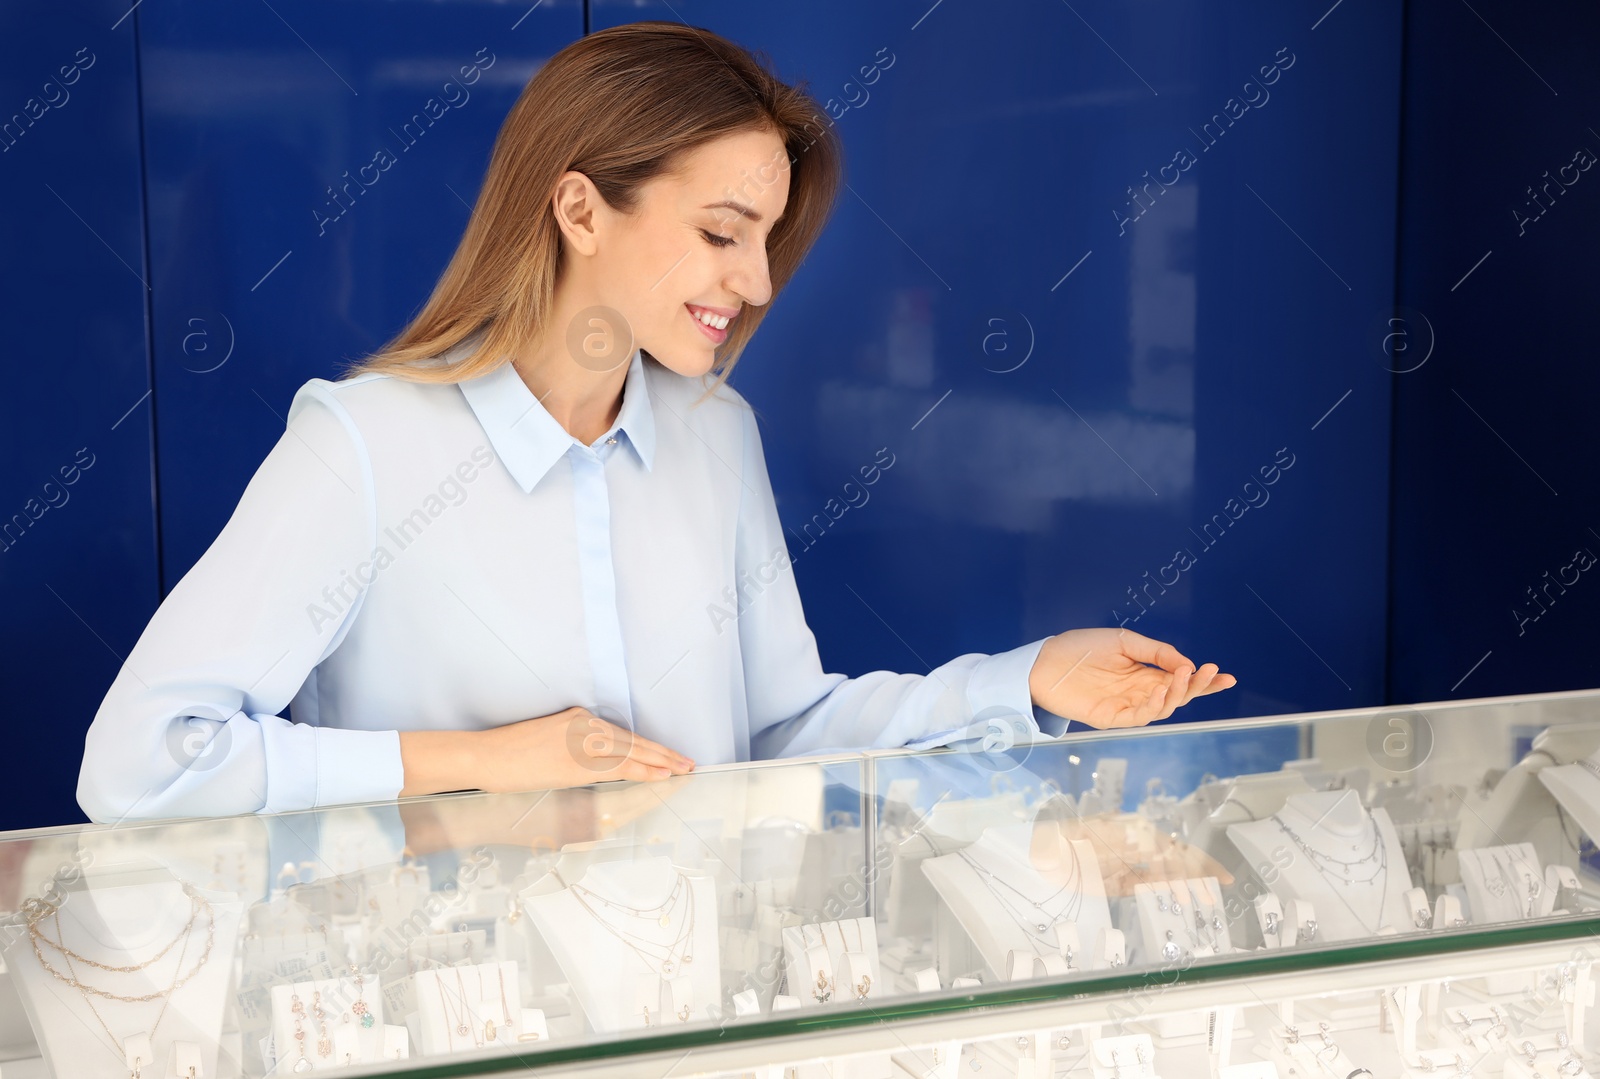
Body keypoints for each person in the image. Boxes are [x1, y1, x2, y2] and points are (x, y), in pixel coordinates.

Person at [76, 22, 1235, 825]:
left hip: (689, 997)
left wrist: (1027, 680)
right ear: (579, 206)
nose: (759, 280)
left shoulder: (713, 437)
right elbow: (139, 761)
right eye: (722, 231)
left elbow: (780, 733)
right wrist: (483, 768)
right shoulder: (367, 445)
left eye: (767, 239)